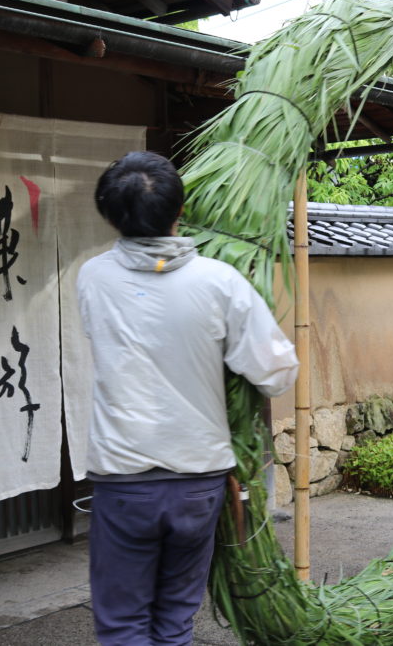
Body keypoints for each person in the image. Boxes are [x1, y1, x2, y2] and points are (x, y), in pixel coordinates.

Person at [77, 151, 299, 645]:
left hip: (124, 482)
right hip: (197, 484)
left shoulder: (92, 277)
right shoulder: (219, 282)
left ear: (110, 216)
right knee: (175, 621)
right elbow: (279, 373)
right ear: (180, 213)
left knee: (122, 625)